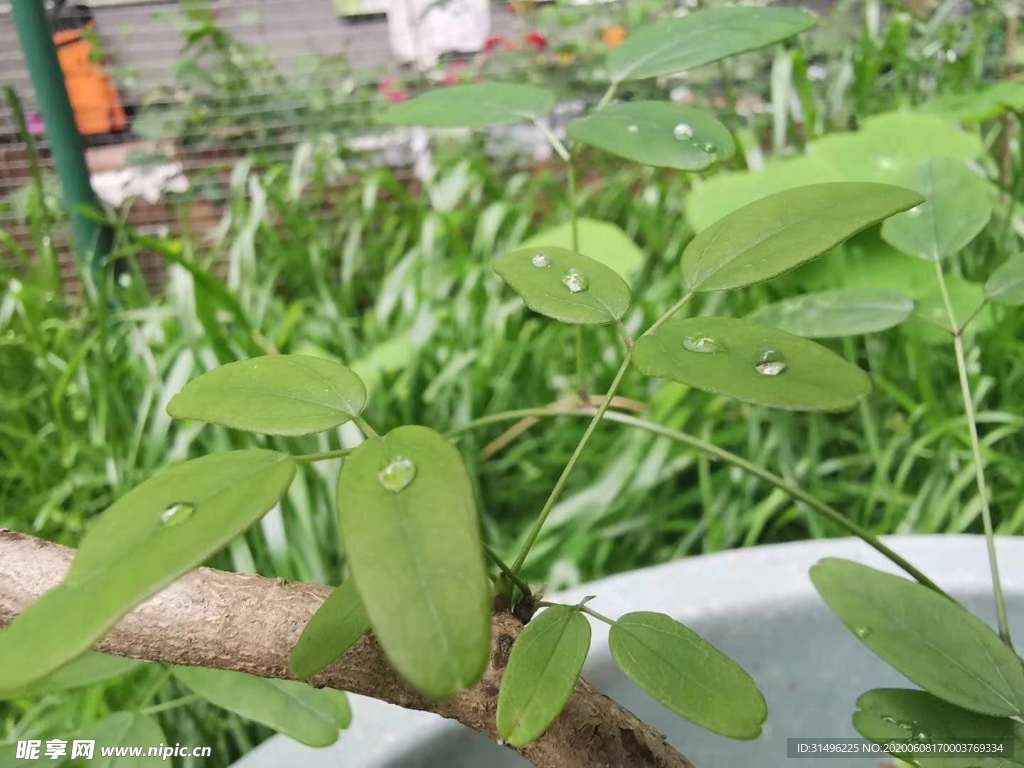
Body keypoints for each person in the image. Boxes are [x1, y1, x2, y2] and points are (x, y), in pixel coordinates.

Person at [52, 3, 128, 141]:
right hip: (78, 40)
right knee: (94, 88)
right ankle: (100, 131)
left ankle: (99, 131)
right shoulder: (83, 42)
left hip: (69, 41)